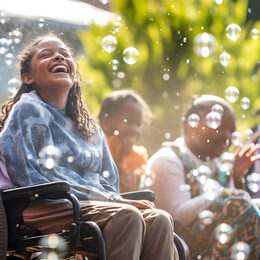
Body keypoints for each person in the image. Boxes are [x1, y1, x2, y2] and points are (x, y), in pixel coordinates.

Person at [0, 34, 175, 260]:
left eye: (64, 54)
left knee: (159, 219)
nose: (58, 57)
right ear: (28, 76)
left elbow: (108, 182)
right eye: (46, 55)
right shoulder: (29, 111)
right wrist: (110, 200)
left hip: (85, 205)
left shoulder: (89, 128)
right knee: (126, 216)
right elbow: (30, 177)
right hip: (39, 205)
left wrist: (111, 198)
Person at [147, 95, 260, 259]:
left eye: (232, 131)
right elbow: (176, 215)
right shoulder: (168, 159)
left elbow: (238, 211)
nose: (227, 137)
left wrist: (237, 177)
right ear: (191, 125)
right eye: (221, 128)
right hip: (176, 242)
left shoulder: (219, 163)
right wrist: (219, 194)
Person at [98, 89, 153, 192]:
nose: (134, 129)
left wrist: (137, 177)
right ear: (106, 122)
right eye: (127, 121)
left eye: (138, 124)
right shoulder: (98, 147)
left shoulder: (138, 156)